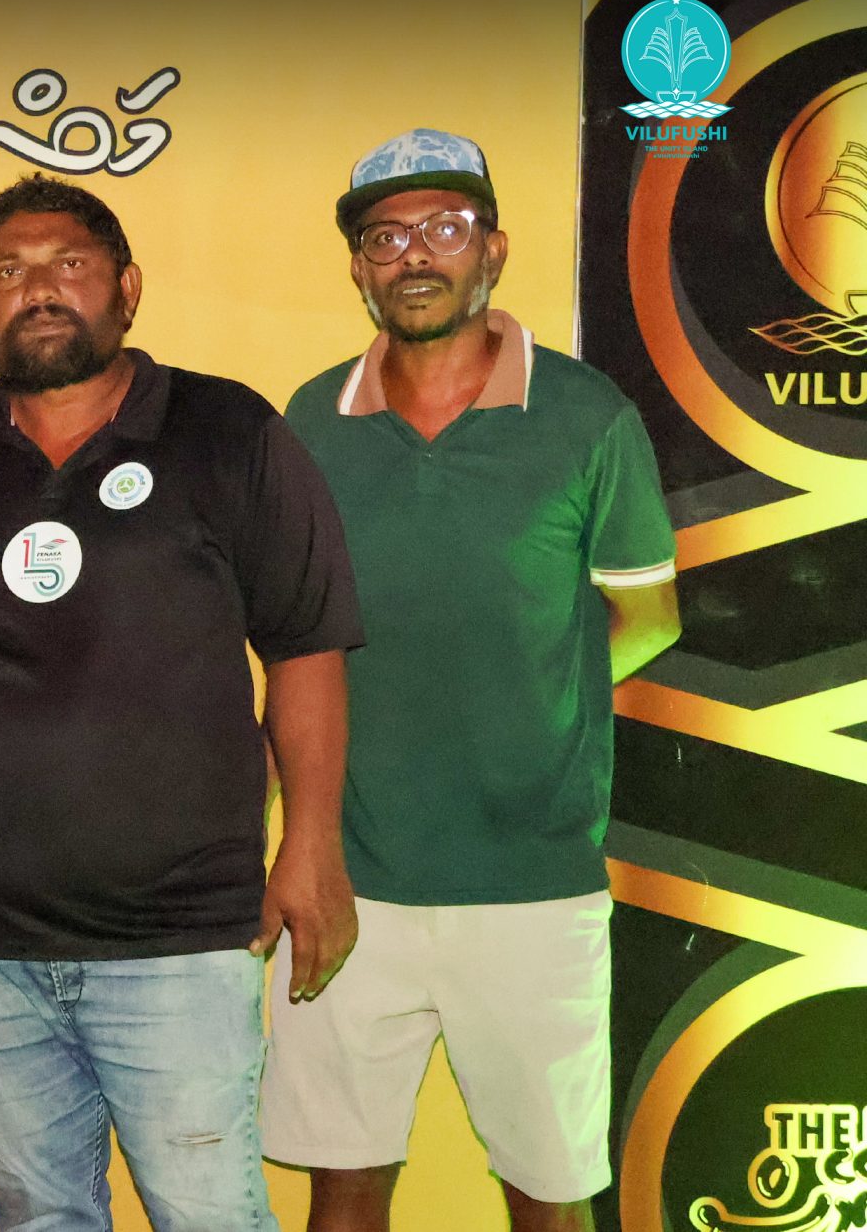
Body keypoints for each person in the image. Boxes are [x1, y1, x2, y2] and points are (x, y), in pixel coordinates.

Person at [0, 173, 363, 1232]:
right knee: (37, 1214)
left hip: (178, 938)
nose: (39, 289)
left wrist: (311, 848)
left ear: (127, 288)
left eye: (69, 265)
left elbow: (305, 647)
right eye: (8, 272)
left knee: (208, 1213)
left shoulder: (226, 429)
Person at [263, 130, 680, 1232]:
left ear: (492, 248)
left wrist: (531, 690)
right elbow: (287, 638)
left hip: (533, 882)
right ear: (359, 267)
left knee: (549, 1197)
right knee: (343, 1190)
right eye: (384, 236)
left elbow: (646, 614)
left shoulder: (588, 416)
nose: (414, 255)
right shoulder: (308, 422)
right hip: (351, 880)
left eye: (443, 228)